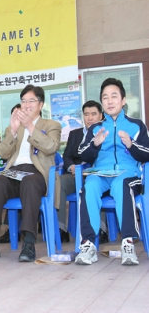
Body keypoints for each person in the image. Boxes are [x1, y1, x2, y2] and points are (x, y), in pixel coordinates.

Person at [0, 85, 61, 262]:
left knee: (30, 183)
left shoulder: (51, 125)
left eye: (31, 101)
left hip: (37, 173)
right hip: (14, 172)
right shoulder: (13, 127)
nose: (26, 105)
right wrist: (13, 131)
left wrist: (31, 127)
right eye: (23, 101)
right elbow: (2, 153)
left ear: (40, 104)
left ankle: (29, 242)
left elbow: (51, 147)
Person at [76, 78, 149, 266]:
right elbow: (82, 154)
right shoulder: (95, 128)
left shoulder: (136, 125)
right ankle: (88, 244)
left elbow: (147, 154)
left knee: (122, 185)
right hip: (101, 174)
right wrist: (95, 144)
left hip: (127, 173)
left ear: (123, 100)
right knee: (89, 186)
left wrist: (131, 146)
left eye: (114, 96)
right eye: (105, 97)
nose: (109, 101)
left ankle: (128, 242)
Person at [57, 100, 103, 243]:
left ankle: (101, 229)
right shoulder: (75, 134)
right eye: (86, 114)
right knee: (59, 182)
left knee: (97, 183)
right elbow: (67, 156)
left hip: (97, 174)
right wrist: (71, 167)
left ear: (101, 116)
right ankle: (61, 229)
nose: (90, 118)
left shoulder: (105, 133)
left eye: (93, 114)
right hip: (76, 175)